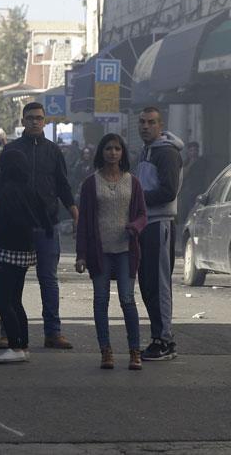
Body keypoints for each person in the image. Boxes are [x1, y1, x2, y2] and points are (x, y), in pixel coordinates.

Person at [0, 103, 78, 350]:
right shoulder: (11, 150)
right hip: (15, 227)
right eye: (30, 118)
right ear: (23, 121)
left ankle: (53, 332)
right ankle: (8, 333)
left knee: (48, 279)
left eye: (39, 118)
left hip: (46, 225)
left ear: (44, 121)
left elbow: (63, 186)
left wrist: (76, 214)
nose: (35, 121)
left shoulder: (53, 151)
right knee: (11, 286)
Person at [75, 133, 147, 370]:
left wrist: (134, 227)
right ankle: (106, 351)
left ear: (122, 152)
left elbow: (142, 215)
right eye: (108, 148)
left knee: (127, 299)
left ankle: (134, 352)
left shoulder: (133, 182)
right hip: (100, 251)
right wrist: (81, 255)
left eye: (117, 148)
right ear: (101, 152)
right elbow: (84, 222)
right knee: (100, 300)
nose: (113, 152)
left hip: (126, 250)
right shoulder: (91, 183)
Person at [0, 149, 53, 364]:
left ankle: (15, 346)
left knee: (2, 301)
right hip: (26, 252)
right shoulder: (29, 188)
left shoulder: (8, 190)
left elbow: (7, 226)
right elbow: (44, 216)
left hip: (8, 252)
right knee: (15, 301)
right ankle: (23, 345)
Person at [134, 106, 183, 361]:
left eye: (151, 122)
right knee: (147, 283)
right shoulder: (146, 150)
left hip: (159, 224)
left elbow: (168, 191)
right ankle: (159, 337)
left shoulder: (166, 153)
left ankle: (164, 340)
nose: (145, 126)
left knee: (158, 284)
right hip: (146, 224)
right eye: (142, 122)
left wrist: (137, 198)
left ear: (160, 125)